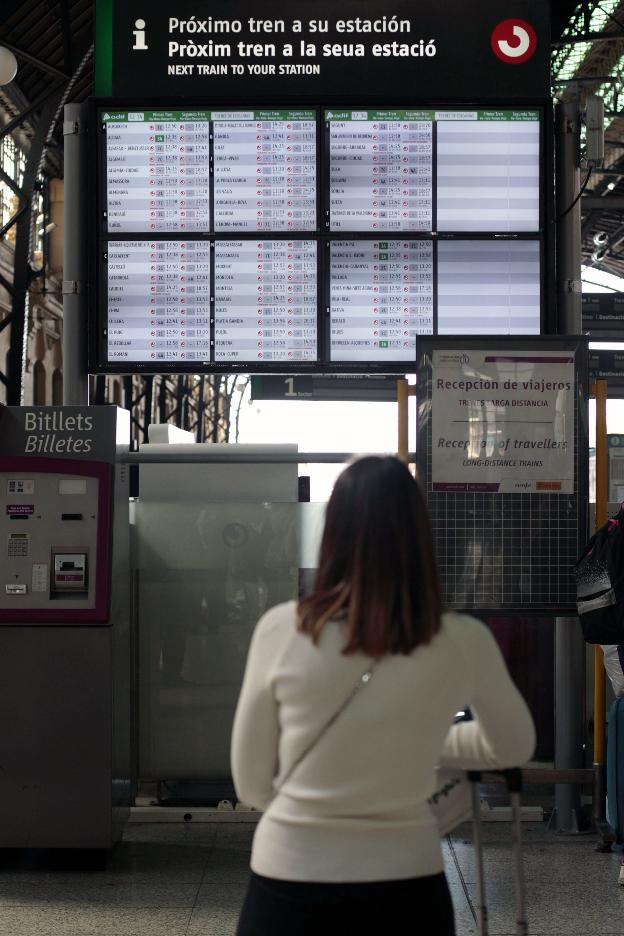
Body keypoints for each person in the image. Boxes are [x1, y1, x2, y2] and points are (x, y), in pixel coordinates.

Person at [231, 456, 535, 936]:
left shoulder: (282, 630)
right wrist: (424, 737)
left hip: (290, 872)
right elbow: (514, 746)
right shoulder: (460, 639)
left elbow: (250, 784)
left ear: (333, 534)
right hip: (406, 879)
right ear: (420, 535)